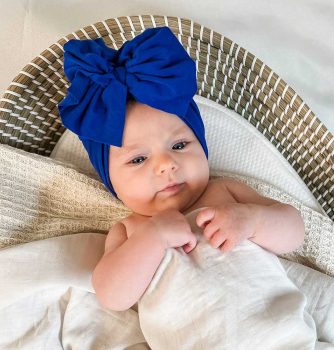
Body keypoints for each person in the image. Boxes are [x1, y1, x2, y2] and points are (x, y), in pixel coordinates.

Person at [58, 26, 305, 312]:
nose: (166, 165)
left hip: (279, 329)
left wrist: (253, 219)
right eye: (138, 159)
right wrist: (154, 237)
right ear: (110, 180)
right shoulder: (131, 231)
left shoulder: (225, 191)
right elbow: (113, 297)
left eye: (179, 145)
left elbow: (295, 232)